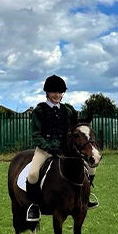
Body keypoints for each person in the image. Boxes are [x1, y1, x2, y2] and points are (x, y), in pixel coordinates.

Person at [25, 75, 98, 222]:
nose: (57, 95)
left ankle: (85, 198)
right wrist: (49, 147)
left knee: (91, 168)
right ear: (47, 93)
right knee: (32, 174)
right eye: (53, 92)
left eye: (59, 92)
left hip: (66, 150)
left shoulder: (68, 110)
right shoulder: (40, 110)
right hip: (44, 149)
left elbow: (75, 129)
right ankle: (34, 206)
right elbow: (36, 135)